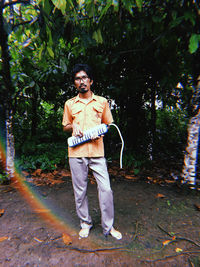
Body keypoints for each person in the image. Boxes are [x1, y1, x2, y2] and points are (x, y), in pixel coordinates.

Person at [62, 63, 122, 240]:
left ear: (91, 81)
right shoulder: (69, 104)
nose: (81, 81)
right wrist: (73, 126)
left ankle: (108, 226)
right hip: (76, 153)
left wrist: (99, 131)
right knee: (80, 191)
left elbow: (108, 125)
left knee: (106, 189)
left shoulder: (102, 102)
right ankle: (85, 223)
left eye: (84, 77)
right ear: (75, 83)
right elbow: (65, 126)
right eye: (78, 78)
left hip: (97, 152)